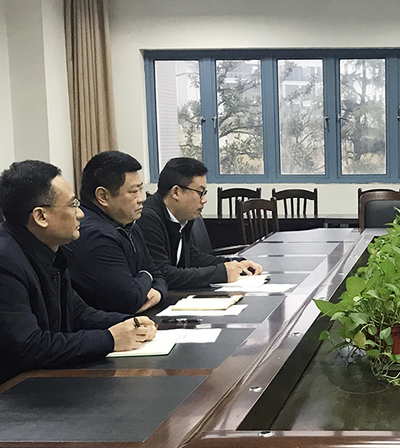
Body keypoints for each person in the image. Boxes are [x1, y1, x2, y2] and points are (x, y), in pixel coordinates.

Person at [0, 160, 156, 384]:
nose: (80, 213)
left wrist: (132, 323)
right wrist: (110, 339)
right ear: (41, 217)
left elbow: (78, 313)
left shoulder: (51, 250)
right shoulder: (6, 261)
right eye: (72, 205)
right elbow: (28, 347)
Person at [63, 151, 167, 314]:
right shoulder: (94, 235)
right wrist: (146, 275)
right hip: (103, 325)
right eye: (134, 192)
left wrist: (158, 293)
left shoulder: (129, 225)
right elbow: (130, 300)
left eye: (141, 190)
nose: (141, 198)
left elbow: (158, 275)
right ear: (103, 196)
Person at [137, 157, 262, 290]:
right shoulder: (147, 219)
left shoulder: (183, 217)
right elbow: (163, 275)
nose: (204, 200)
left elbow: (192, 258)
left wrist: (235, 264)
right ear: (176, 192)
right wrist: (221, 273)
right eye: (200, 193)